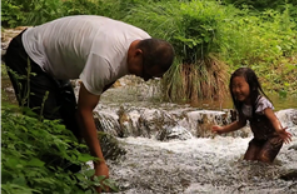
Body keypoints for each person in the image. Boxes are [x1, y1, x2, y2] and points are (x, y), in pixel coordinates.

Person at [4, 15, 175, 185]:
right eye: (145, 72)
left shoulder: (143, 42)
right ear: (138, 54)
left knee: (72, 128)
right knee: (50, 130)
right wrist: (99, 164)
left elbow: (98, 90)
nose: (144, 78)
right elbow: (84, 111)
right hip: (27, 54)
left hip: (54, 63)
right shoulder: (104, 58)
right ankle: (48, 184)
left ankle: (72, 180)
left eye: (151, 77)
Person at [212, 67, 292, 163]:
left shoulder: (261, 103)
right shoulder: (242, 104)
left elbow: (273, 119)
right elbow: (240, 123)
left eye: (240, 86)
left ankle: (272, 176)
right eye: (233, 86)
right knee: (247, 161)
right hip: (258, 139)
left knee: (263, 159)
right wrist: (223, 129)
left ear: (252, 86)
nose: (236, 90)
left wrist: (279, 129)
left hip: (274, 137)